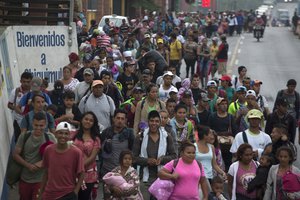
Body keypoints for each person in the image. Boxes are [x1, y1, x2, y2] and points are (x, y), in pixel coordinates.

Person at [133, 110, 176, 199]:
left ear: (160, 122)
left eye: (156, 121)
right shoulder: (140, 137)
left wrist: (162, 159)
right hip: (144, 179)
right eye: (151, 121)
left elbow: (174, 156)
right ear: (148, 122)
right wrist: (147, 161)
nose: (154, 123)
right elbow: (133, 158)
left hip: (161, 178)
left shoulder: (167, 136)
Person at [13, 112, 56, 200]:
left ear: (45, 125)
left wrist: (40, 163)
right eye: (36, 125)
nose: (38, 128)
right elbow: (15, 155)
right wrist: (28, 165)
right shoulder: (24, 136)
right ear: (32, 123)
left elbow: (56, 156)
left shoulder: (50, 137)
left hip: (41, 180)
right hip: (25, 179)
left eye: (41, 125)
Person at [38, 122, 85, 200]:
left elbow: (81, 173)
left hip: (68, 194)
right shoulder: (48, 150)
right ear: (56, 134)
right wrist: (40, 193)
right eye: (60, 133)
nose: (63, 136)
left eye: (66, 133)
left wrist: (75, 192)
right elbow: (46, 172)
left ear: (70, 135)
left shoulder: (76, 152)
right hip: (49, 193)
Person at [73, 112, 101, 199]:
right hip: (72, 174)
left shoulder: (96, 139)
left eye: (91, 120)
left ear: (93, 123)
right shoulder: (73, 134)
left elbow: (92, 157)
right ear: (81, 120)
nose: (88, 122)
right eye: (86, 119)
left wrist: (79, 167)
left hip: (88, 174)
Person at [100, 109, 135, 178]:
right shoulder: (105, 133)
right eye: (118, 118)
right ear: (113, 119)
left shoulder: (129, 134)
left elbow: (132, 151)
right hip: (107, 171)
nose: (120, 121)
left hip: (123, 172)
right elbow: (100, 150)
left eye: (122, 119)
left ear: (125, 120)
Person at [208, 97, 237, 171]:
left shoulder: (230, 116)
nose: (224, 106)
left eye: (226, 104)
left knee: (228, 162)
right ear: (217, 106)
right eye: (222, 104)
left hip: (228, 145)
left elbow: (234, 130)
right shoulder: (212, 116)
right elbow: (209, 129)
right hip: (216, 144)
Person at [7, 71, 32, 142]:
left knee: (29, 141)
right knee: (18, 141)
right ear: (20, 81)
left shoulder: (34, 92)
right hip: (18, 121)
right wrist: (16, 108)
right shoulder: (15, 91)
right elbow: (9, 104)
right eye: (24, 81)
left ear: (31, 82)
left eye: (28, 82)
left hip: (31, 121)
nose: (26, 84)